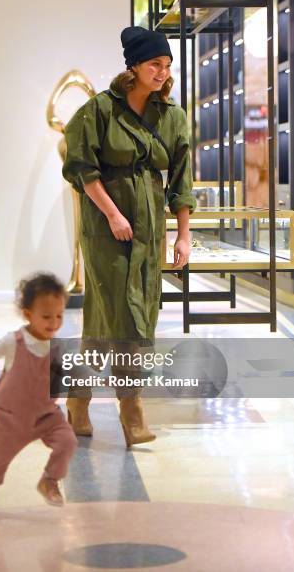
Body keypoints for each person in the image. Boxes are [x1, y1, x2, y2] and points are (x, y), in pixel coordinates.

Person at [62, 27, 196, 447]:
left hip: (149, 229)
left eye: (167, 65)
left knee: (138, 312)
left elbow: (181, 181)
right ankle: (128, 407)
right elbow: (83, 170)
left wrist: (183, 235)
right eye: (155, 64)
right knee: (119, 313)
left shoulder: (172, 116)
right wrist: (114, 215)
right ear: (134, 66)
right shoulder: (99, 110)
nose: (162, 72)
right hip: (106, 229)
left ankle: (80, 400)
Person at [0, 273, 78, 517]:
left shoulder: (58, 347)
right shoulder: (15, 341)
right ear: (28, 314)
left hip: (46, 415)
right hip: (11, 417)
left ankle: (49, 480)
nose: (54, 323)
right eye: (46, 317)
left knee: (68, 441)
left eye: (59, 316)